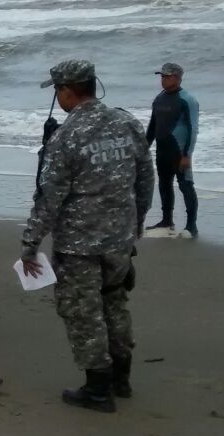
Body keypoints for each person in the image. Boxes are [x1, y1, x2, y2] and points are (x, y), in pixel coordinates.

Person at [22, 60, 154, 413]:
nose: (57, 97)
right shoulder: (127, 123)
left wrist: (30, 243)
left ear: (68, 90)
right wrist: (137, 222)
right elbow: (145, 176)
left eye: (57, 90)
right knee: (114, 302)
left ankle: (98, 388)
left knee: (84, 312)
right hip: (119, 238)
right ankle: (121, 378)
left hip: (79, 244)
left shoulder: (67, 136)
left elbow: (49, 197)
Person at [145, 62, 200, 237]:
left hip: (179, 152)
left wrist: (187, 155)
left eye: (166, 77)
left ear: (177, 78)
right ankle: (167, 221)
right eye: (162, 77)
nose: (163, 80)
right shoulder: (159, 98)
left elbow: (193, 129)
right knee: (164, 184)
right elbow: (152, 126)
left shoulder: (187, 99)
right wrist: (144, 147)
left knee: (186, 185)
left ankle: (191, 226)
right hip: (162, 150)